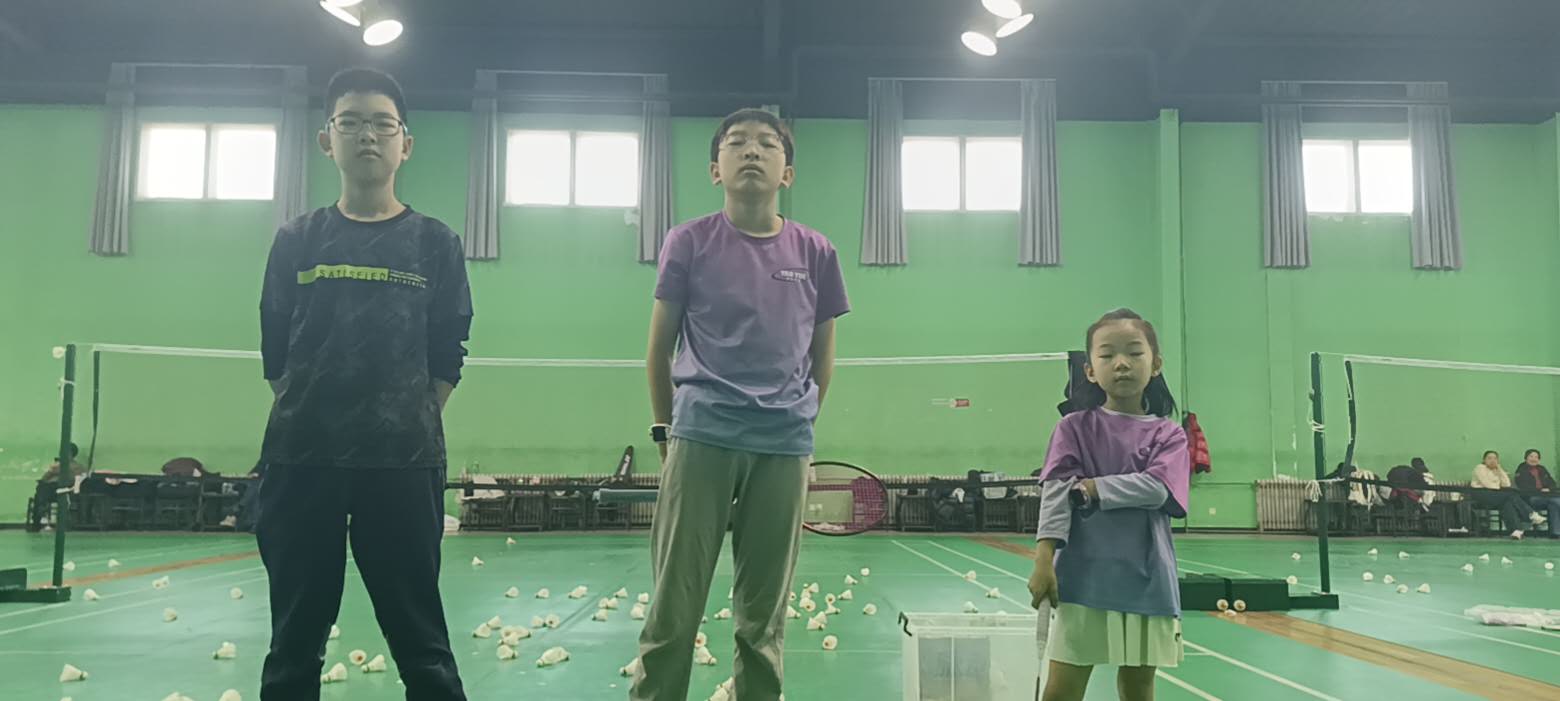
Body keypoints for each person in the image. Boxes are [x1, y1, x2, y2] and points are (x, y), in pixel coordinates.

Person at [255, 67, 471, 701]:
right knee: (294, 644)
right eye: (350, 123)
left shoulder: (435, 243)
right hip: (302, 463)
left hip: (403, 465)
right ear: (327, 140)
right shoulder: (297, 240)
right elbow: (275, 348)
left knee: (422, 644)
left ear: (406, 143)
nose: (367, 136)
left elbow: (448, 352)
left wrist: (405, 419)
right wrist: (317, 415)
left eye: (382, 124)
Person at [632, 108, 850, 701]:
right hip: (703, 435)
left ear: (788, 173)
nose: (752, 150)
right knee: (674, 606)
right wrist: (664, 431)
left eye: (767, 143)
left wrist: (800, 420)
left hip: (783, 446)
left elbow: (823, 353)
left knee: (763, 616)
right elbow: (658, 348)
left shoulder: (816, 251)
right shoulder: (688, 241)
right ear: (715, 168)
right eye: (737, 142)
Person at [1027, 308, 1189, 701]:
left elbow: (1157, 489)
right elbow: (1056, 494)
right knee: (1063, 687)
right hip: (1083, 575)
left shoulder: (1169, 434)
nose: (1121, 363)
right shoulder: (1073, 428)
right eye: (1107, 354)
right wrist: (1043, 559)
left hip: (1147, 578)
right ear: (1089, 370)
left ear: (1156, 364)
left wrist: (1093, 487)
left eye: (1134, 352)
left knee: (1138, 686)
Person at [1470, 450, 1543, 539]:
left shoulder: (1497, 470)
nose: (1492, 460)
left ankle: (1516, 531)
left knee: (1507, 503)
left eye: (1495, 458)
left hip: (1495, 495)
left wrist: (1500, 469)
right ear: (1484, 460)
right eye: (1489, 458)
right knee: (1510, 494)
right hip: (1481, 494)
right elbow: (1488, 485)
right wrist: (1498, 486)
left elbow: (1507, 484)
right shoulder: (1480, 468)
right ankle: (1530, 514)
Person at [28, 442, 86, 531]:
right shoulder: (58, 465)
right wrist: (51, 471)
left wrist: (59, 470)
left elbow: (76, 479)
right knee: (41, 489)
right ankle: (39, 514)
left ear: (71, 453)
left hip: (65, 490)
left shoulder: (77, 466)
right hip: (50, 489)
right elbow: (44, 478)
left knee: (41, 493)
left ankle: (40, 510)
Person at [1513, 449, 1560, 539]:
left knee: (1553, 504)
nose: (1534, 459)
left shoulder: (1542, 469)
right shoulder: (1521, 469)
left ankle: (1555, 532)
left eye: (1536, 457)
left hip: (1547, 496)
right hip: (1531, 498)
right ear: (1526, 458)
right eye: (1531, 456)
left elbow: (1552, 483)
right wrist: (1540, 490)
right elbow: (1523, 487)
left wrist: (1549, 489)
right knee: (1556, 501)